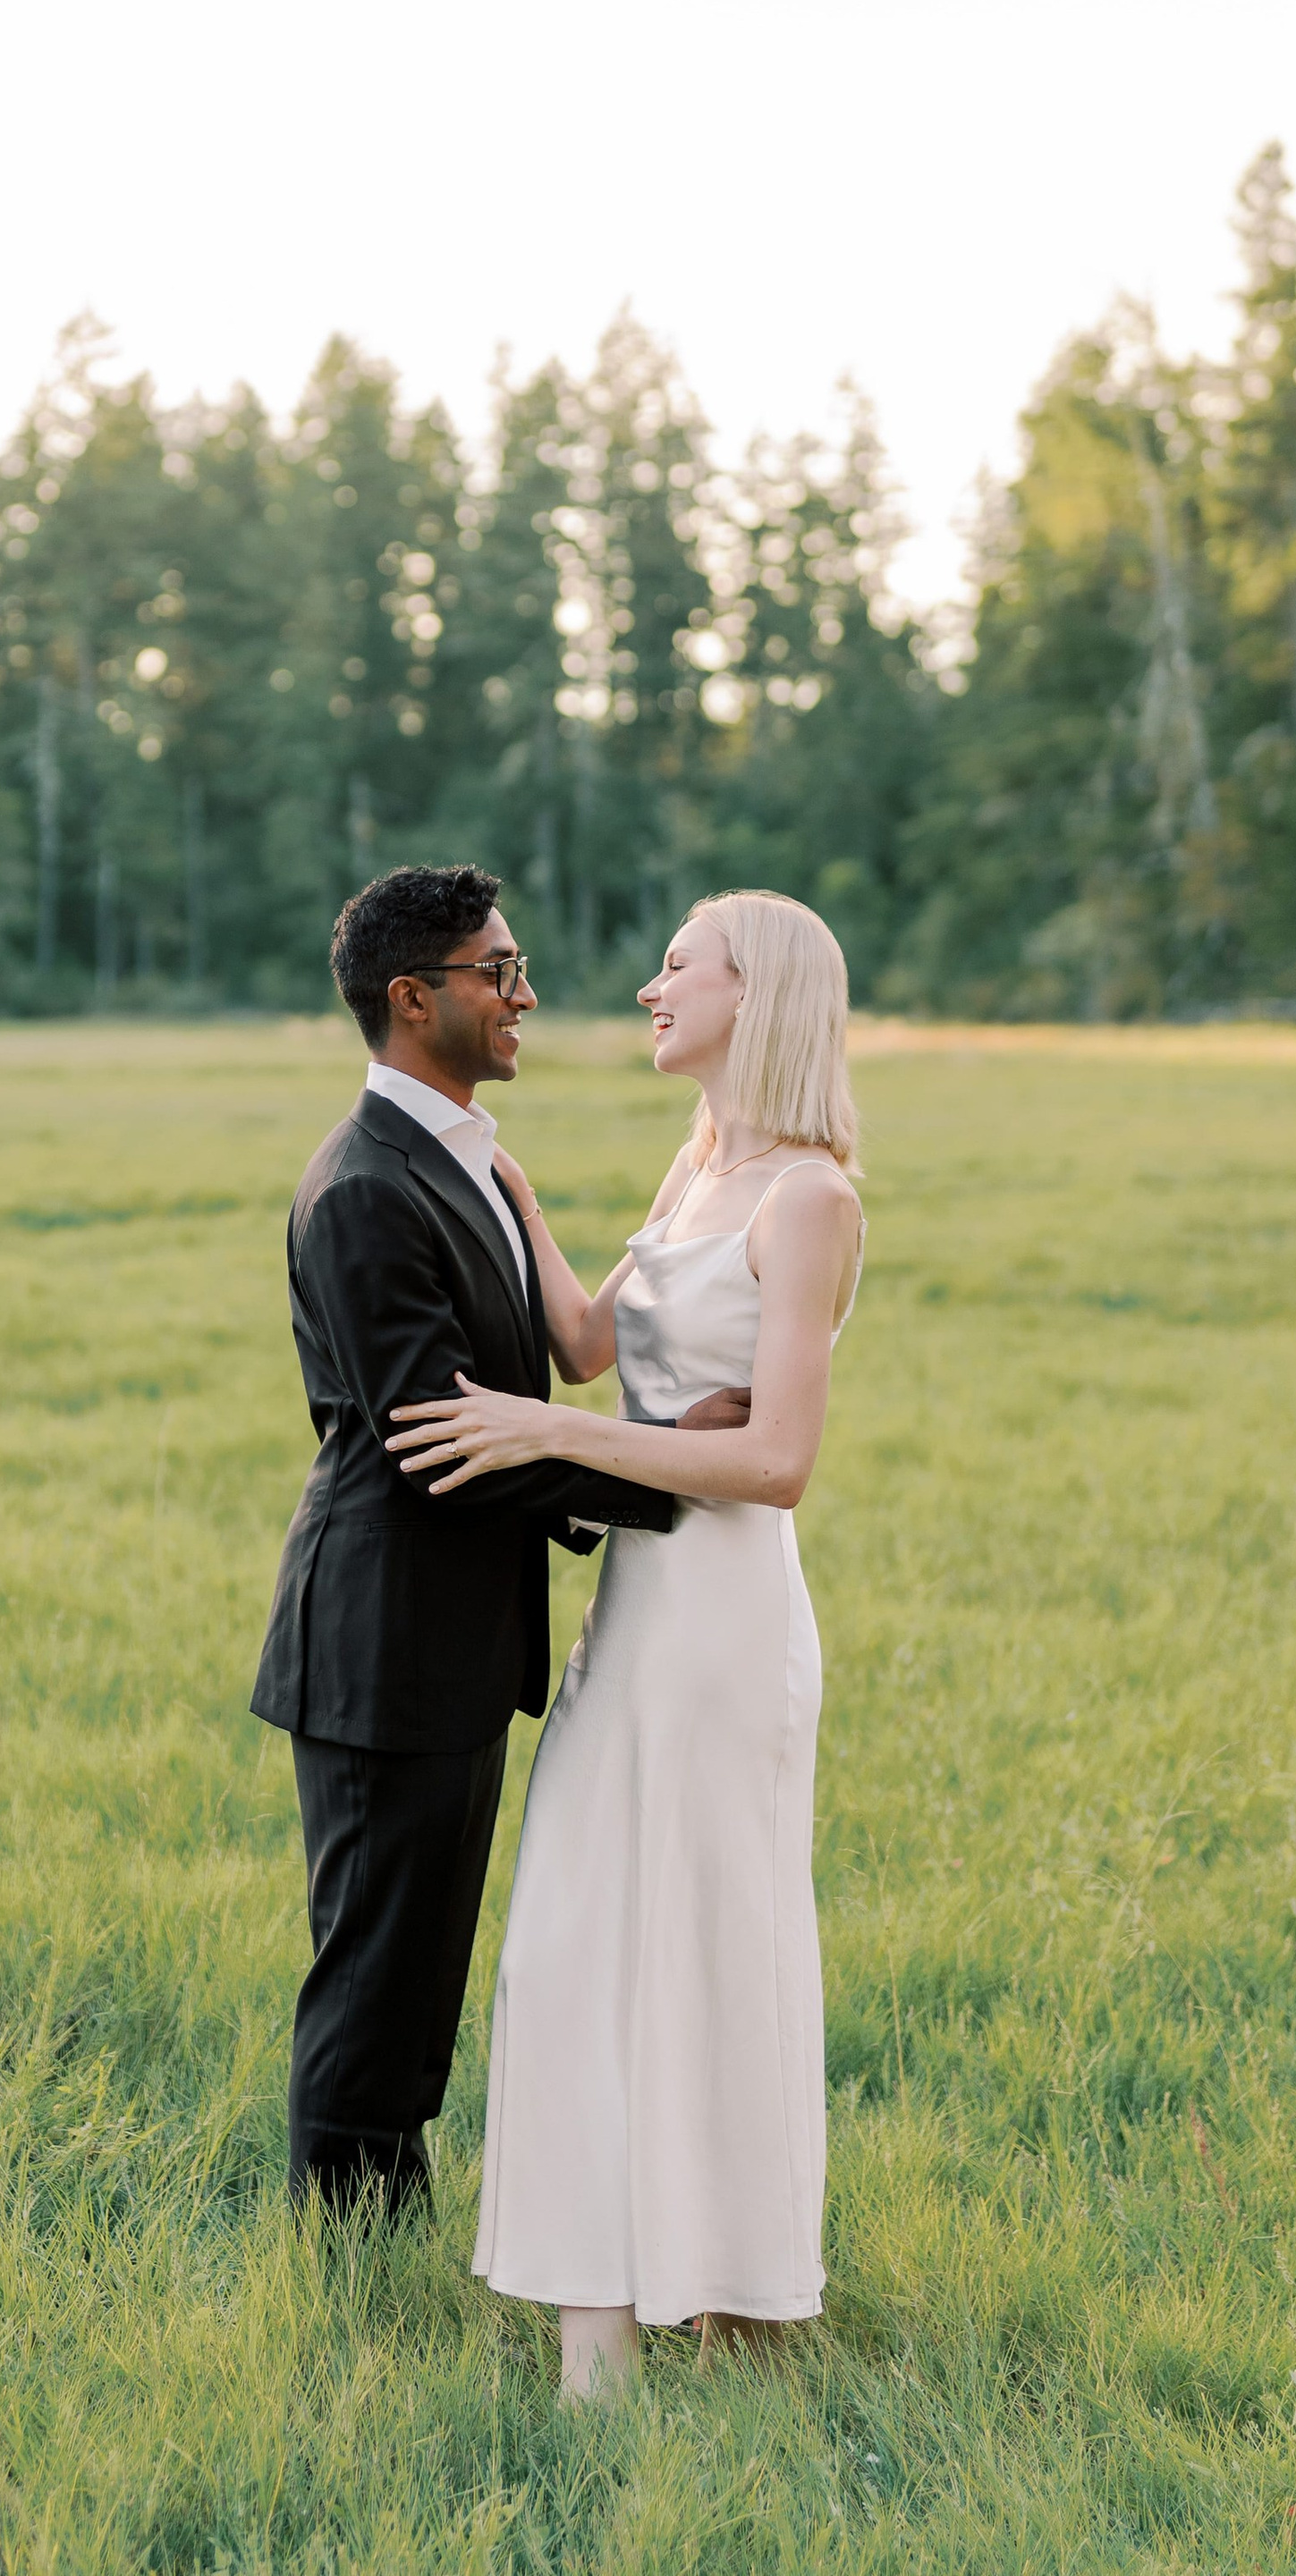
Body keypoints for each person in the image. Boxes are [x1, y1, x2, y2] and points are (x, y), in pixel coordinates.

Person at [386, 888, 863, 2396]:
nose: (647, 990)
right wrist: (508, 1195)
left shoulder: (813, 1200)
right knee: (576, 1946)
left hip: (726, 1632)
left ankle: (727, 2300)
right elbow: (598, 1346)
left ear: (758, 993)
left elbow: (778, 1462)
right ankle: (598, 2325)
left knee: (708, 1951)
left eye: (677, 968)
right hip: (635, 1621)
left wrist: (550, 1433)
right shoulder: (699, 1164)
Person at [250, 864, 696, 2219]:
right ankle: (348, 2256)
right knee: (380, 1963)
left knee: (421, 1954)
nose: (525, 995)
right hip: (383, 1645)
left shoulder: (471, 1160)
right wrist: (672, 1478)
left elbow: (541, 1378)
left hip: (444, 1636)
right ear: (411, 998)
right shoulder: (368, 1189)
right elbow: (442, 1440)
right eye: (497, 973)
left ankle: (388, 2225)